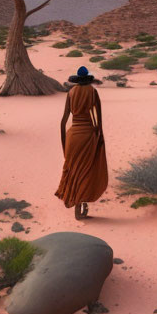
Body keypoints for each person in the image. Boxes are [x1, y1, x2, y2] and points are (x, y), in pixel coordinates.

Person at [55, 65, 108, 220]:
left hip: (73, 136)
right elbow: (98, 119)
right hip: (88, 135)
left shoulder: (71, 92)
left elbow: (63, 120)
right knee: (87, 171)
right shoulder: (93, 92)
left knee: (74, 170)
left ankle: (78, 207)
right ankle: (83, 204)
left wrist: (64, 141)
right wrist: (100, 136)